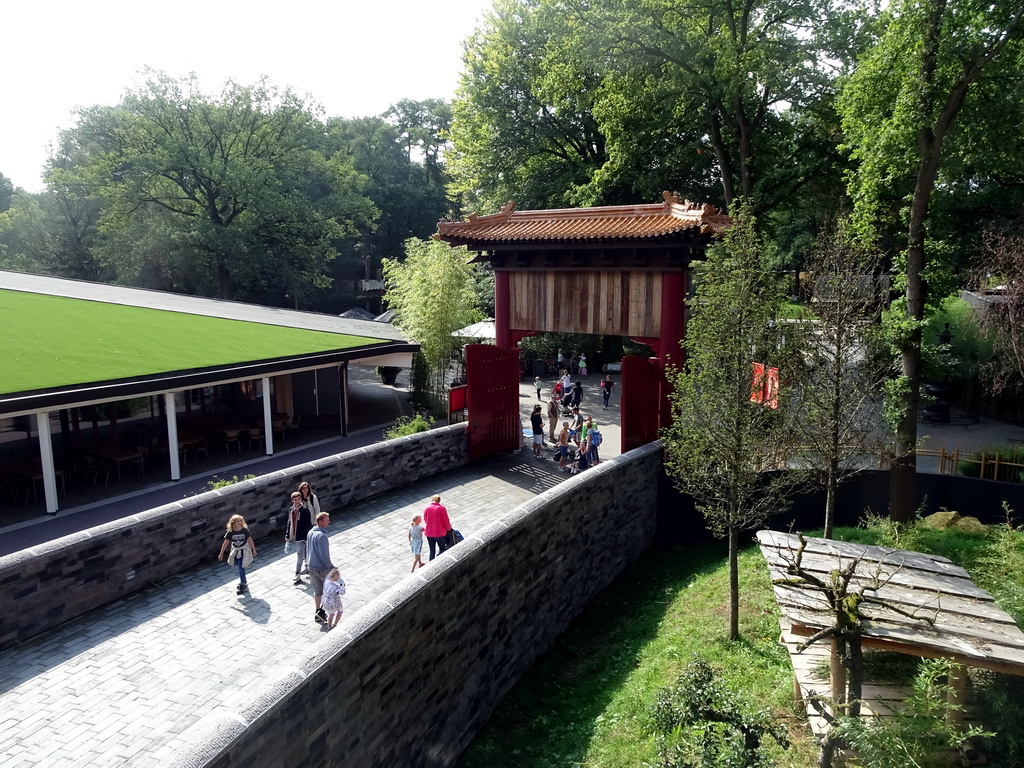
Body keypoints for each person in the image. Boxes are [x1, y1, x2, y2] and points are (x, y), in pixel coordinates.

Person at [217, 514, 256, 595]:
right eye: (237, 521)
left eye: (240, 520)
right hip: (235, 550)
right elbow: (225, 543)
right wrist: (221, 553)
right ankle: (243, 581)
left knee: (241, 566)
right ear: (233, 523)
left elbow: (250, 540)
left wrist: (253, 550)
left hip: (243, 550)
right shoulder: (230, 532)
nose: (239, 522)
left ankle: (243, 583)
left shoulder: (245, 530)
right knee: (238, 565)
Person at [306, 511, 334, 624]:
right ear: (320, 522)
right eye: (327, 520)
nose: (329, 521)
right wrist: (332, 568)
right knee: (331, 590)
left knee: (318, 591)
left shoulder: (310, 532)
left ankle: (317, 612)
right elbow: (324, 555)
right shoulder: (321, 536)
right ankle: (322, 611)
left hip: (311, 565)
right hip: (321, 567)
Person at [285, 491, 312, 585]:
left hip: (303, 537)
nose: (296, 501)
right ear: (292, 500)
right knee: (303, 553)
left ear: (300, 499)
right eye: (295, 499)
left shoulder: (305, 510)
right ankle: (307, 568)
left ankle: (297, 574)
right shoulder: (291, 510)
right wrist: (287, 535)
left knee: (300, 553)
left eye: (298, 499)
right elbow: (289, 523)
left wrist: (307, 538)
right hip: (296, 536)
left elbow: (308, 525)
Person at [423, 494, 452, 561]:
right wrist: (448, 528)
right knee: (442, 548)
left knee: (432, 551)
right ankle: (440, 561)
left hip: (429, 533)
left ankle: (431, 563)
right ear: (439, 500)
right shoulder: (441, 508)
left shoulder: (426, 508)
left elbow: (425, 519)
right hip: (439, 533)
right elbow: (446, 521)